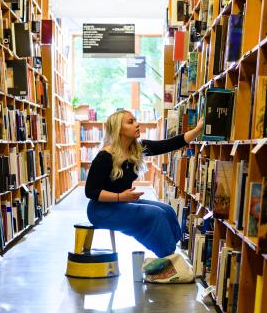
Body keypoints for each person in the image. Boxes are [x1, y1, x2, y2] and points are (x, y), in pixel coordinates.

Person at [84, 109, 204, 261]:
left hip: (123, 202)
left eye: (135, 120)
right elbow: (91, 192)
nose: (137, 124)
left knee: (167, 210)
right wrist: (121, 197)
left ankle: (168, 255)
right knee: (156, 214)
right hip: (101, 210)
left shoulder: (136, 148)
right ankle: (169, 258)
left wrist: (197, 130)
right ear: (118, 129)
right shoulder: (105, 157)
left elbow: (168, 144)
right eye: (130, 122)